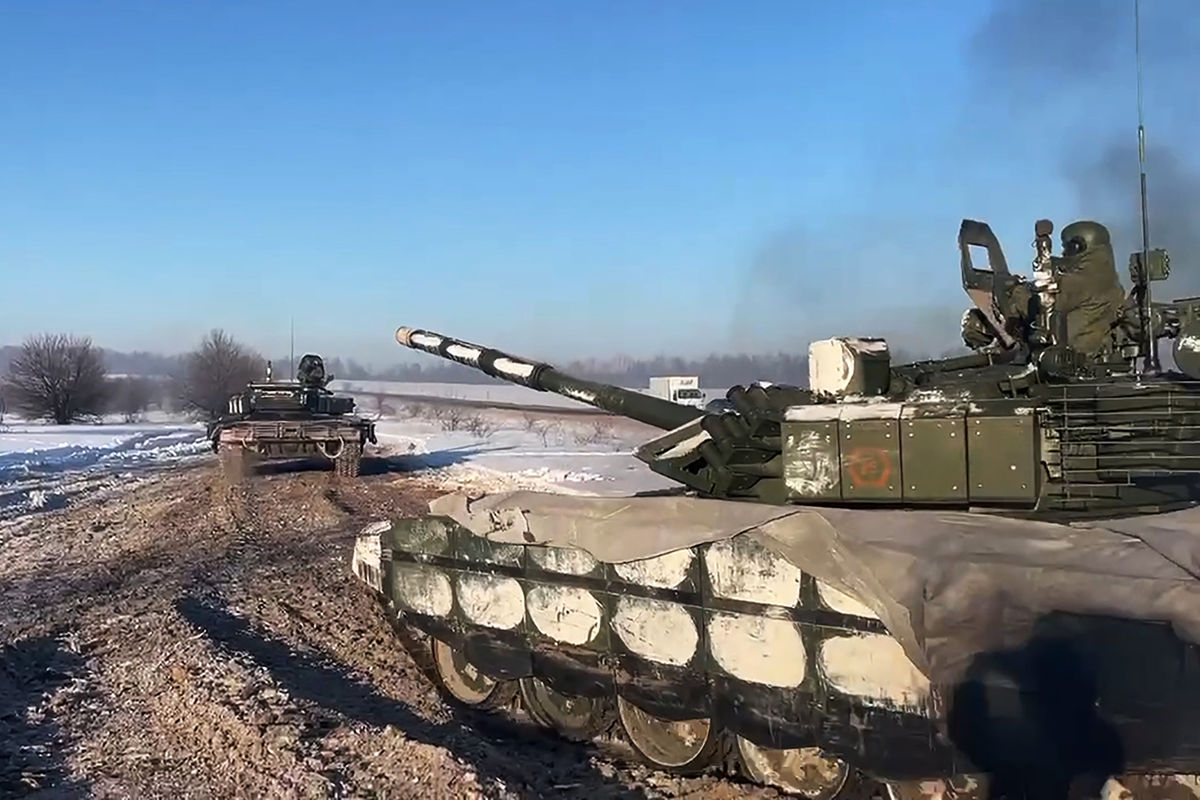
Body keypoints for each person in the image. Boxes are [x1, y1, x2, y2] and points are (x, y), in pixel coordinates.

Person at [960, 220, 1126, 357]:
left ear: (1078, 247)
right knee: (981, 322)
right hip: (1082, 355)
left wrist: (1012, 290)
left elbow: (1039, 303)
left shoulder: (1084, 281)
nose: (1064, 253)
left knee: (978, 323)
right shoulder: (1105, 279)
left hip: (1069, 359)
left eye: (1067, 248)